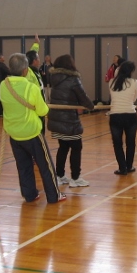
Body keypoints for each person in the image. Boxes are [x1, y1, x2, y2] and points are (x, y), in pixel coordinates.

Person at [0, 53, 66, 204]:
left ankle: (29, 195)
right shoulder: (32, 88)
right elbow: (42, 111)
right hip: (32, 133)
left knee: (23, 166)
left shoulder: (4, 85)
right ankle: (54, 195)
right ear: (25, 70)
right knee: (45, 165)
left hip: (14, 134)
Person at [47, 54, 95, 188]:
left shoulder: (54, 78)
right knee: (76, 147)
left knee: (63, 147)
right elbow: (82, 97)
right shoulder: (73, 79)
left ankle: (60, 175)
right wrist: (91, 106)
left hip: (57, 120)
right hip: (69, 121)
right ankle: (75, 178)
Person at [109, 60, 137, 175]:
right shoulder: (134, 82)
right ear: (131, 71)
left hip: (115, 116)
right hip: (130, 115)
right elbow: (134, 98)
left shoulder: (111, 82)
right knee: (130, 142)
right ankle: (129, 166)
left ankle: (122, 168)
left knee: (117, 144)